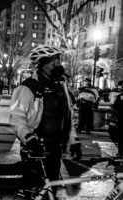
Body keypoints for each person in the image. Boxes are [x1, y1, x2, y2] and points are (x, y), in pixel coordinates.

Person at [10, 45, 82, 198]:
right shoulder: (28, 87)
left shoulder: (61, 86)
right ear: (43, 64)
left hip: (55, 149)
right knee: (34, 192)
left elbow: (66, 116)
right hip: (35, 149)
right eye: (54, 62)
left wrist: (73, 141)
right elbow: (16, 118)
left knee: (50, 192)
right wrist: (28, 138)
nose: (58, 65)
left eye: (59, 61)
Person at [112, 81, 123, 156]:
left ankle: (120, 152)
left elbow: (115, 107)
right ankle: (120, 152)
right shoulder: (120, 96)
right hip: (121, 118)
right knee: (120, 136)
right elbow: (115, 107)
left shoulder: (120, 96)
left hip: (120, 118)